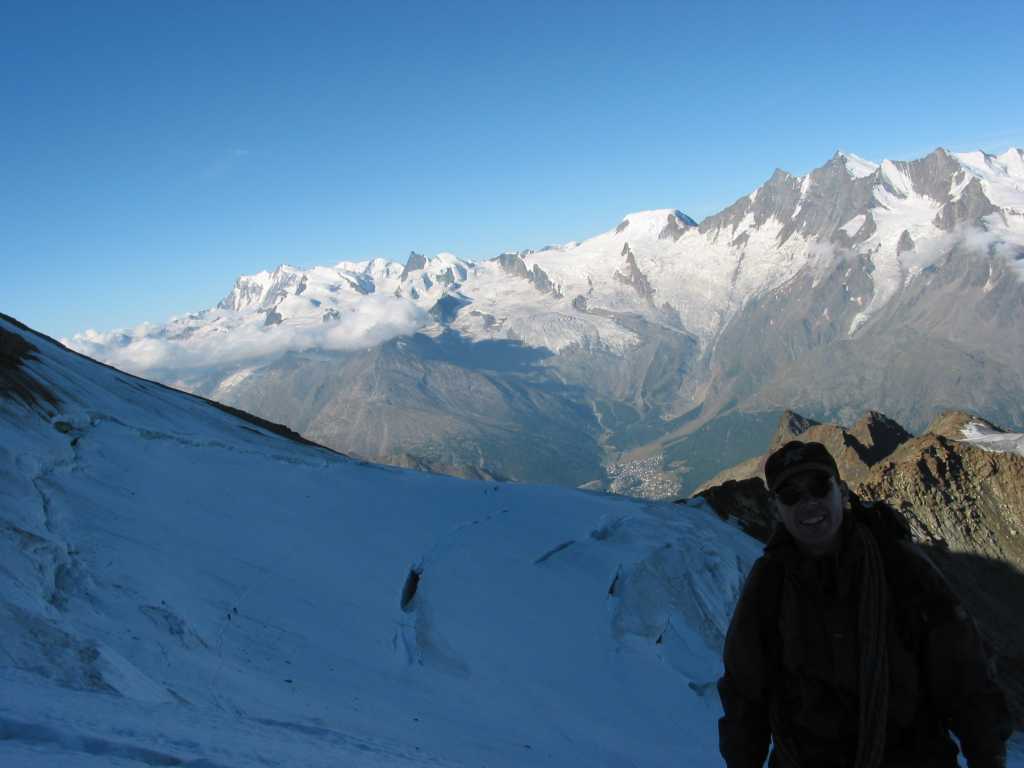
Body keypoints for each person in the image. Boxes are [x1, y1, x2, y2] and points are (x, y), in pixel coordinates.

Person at [717, 440, 1012, 768]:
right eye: (790, 495)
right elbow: (744, 691)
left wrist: (988, 755)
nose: (809, 502)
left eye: (819, 487)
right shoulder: (769, 584)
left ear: (842, 492)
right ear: (776, 509)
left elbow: (963, 672)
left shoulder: (899, 566)